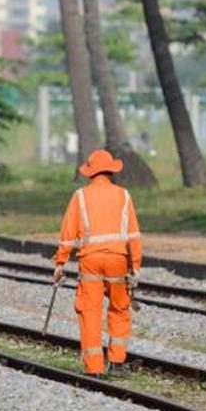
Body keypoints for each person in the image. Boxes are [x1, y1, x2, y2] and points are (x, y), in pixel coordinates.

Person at [52, 149, 142, 378]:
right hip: (118, 260)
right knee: (120, 308)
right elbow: (133, 234)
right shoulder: (124, 195)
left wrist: (60, 262)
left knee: (90, 310)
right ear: (111, 171)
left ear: (90, 172)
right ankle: (118, 362)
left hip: (90, 261)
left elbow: (68, 234)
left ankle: (94, 367)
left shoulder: (80, 196)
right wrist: (135, 267)